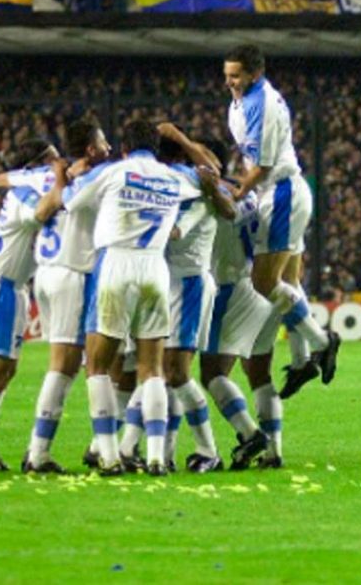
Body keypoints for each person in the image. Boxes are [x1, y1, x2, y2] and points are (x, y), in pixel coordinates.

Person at [65, 119, 202, 476]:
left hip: (116, 264)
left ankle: (108, 456)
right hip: (156, 269)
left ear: (125, 148)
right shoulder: (175, 177)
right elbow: (209, 175)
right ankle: (156, 457)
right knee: (152, 369)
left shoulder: (115, 171)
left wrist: (74, 173)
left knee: (98, 365)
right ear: (155, 149)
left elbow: (71, 201)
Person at [223, 44, 340, 399]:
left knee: (263, 281)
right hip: (281, 191)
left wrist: (238, 190)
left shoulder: (262, 103)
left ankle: (322, 341)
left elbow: (264, 166)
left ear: (254, 74)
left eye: (236, 76)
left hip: (282, 191)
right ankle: (304, 360)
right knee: (289, 279)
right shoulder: (244, 99)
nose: (229, 82)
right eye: (226, 75)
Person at [117, 130, 222, 473]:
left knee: (176, 372)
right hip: (162, 280)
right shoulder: (179, 187)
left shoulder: (196, 194)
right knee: (153, 370)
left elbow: (176, 231)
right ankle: (132, 447)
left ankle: (208, 451)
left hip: (190, 284)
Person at [12, 116, 113, 474]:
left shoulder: (47, 177)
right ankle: (38, 453)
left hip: (48, 272)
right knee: (65, 364)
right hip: (72, 271)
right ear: (89, 149)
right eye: (103, 142)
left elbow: (10, 180)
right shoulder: (92, 177)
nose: (109, 148)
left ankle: (90, 445)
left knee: (73, 365)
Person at [0, 139, 68, 471]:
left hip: (15, 288)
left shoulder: (26, 187)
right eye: (52, 157)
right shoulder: (23, 195)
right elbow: (40, 213)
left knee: (7, 370)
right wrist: (63, 181)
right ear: (37, 163)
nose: (58, 161)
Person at [194, 136, 281, 469]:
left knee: (212, 372)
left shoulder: (212, 195)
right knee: (259, 373)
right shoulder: (249, 192)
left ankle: (250, 434)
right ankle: (273, 452)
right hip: (263, 283)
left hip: (233, 288)